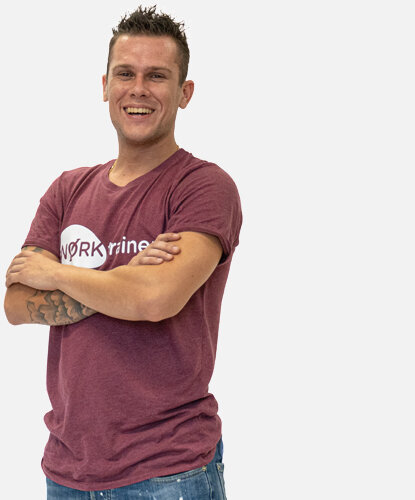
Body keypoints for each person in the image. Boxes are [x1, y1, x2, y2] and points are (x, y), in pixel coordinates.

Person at [4, 6, 242, 499]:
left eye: (157, 76)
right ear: (105, 85)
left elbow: (155, 300)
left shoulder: (203, 187)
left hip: (169, 471)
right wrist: (125, 278)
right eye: (125, 74)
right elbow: (17, 304)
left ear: (185, 93)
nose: (138, 89)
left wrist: (58, 273)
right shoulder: (67, 189)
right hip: (66, 469)